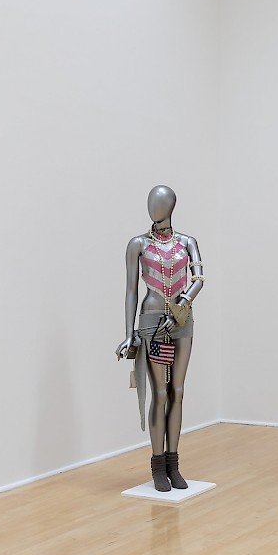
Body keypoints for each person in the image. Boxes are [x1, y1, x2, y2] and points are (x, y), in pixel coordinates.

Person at [115, 185, 205, 492]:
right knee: (160, 393)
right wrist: (129, 334)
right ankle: (157, 466)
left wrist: (181, 306)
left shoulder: (187, 242)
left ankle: (173, 463)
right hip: (152, 322)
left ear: (171, 207)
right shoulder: (138, 244)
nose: (155, 207)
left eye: (161, 202)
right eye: (152, 202)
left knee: (178, 391)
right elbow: (131, 291)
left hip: (181, 321)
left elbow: (198, 279)